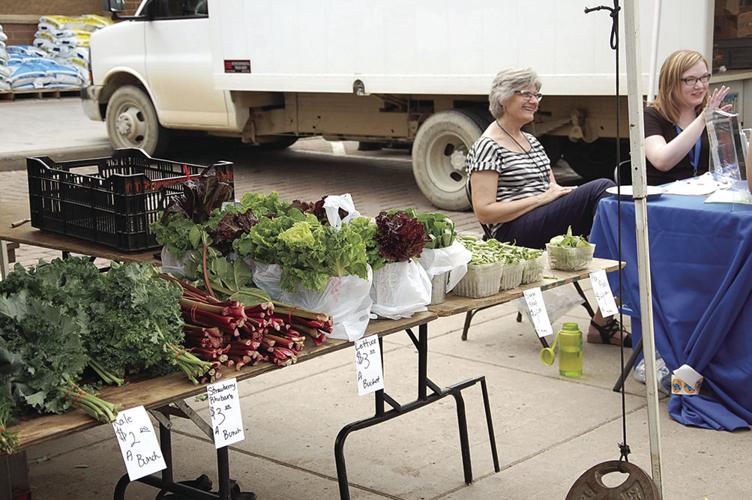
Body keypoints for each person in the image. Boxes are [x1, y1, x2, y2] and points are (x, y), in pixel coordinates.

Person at [466, 67, 627, 346]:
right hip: (511, 234)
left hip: (541, 223)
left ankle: (606, 315)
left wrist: (565, 195)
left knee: (613, 220)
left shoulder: (532, 142)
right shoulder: (488, 145)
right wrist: (541, 199)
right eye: (525, 93)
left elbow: (552, 190)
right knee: (602, 189)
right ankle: (608, 310)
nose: (534, 100)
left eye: (536, 94)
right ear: (504, 99)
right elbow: (484, 211)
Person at [644, 49, 731, 185]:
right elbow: (662, 161)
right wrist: (703, 119)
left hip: (706, 194)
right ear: (670, 83)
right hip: (664, 198)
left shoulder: (712, 111)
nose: (700, 85)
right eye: (690, 80)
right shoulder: (651, 115)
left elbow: (730, 163)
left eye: (704, 77)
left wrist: (730, 131)